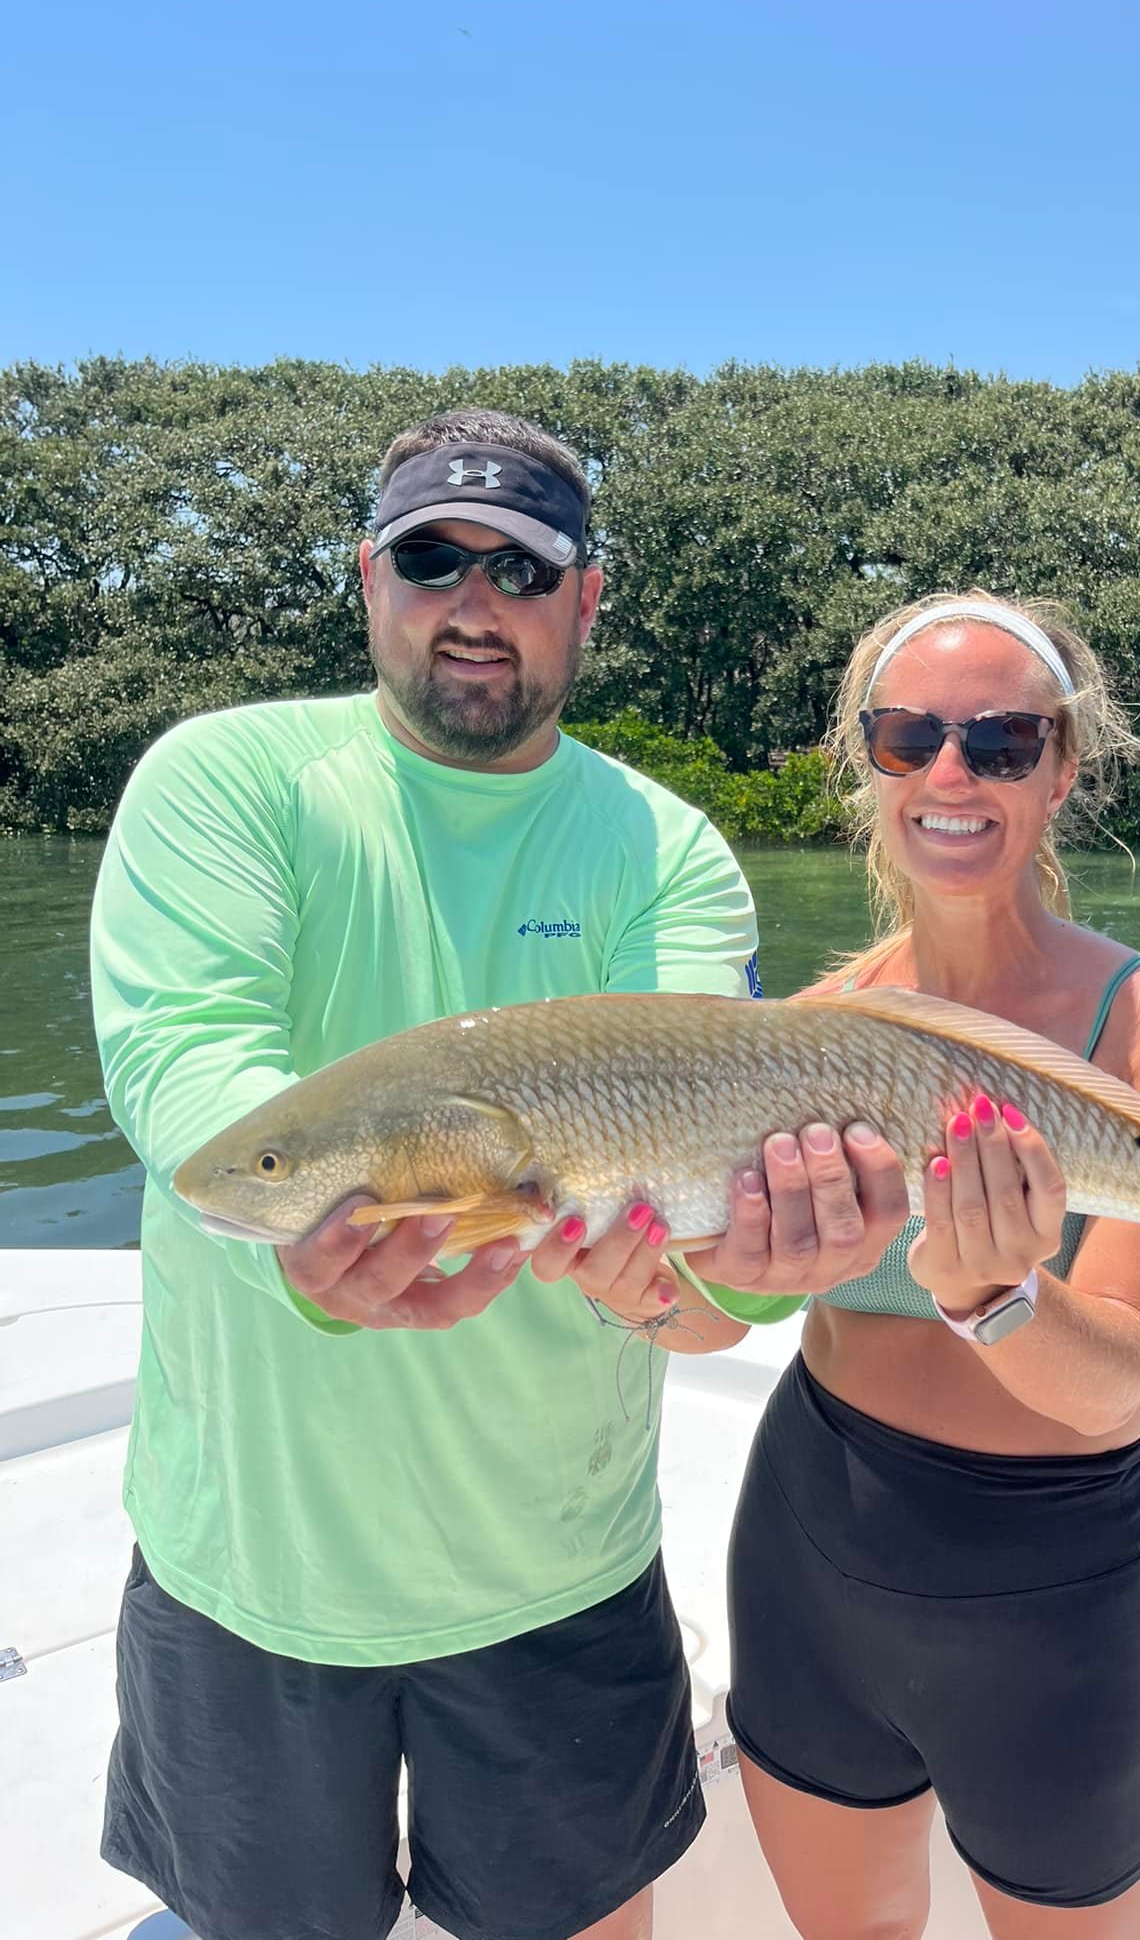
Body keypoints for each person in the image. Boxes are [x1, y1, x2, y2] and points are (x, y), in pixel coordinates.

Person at [89, 406, 908, 1940]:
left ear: (586, 600)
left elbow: (701, 1232)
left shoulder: (666, 850)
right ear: (368, 578)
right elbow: (183, 1063)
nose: (474, 601)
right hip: (251, 1565)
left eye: (522, 570)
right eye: (432, 560)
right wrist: (321, 1231)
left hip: (557, 1572)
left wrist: (756, 1269)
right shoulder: (221, 780)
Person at [693, 590, 1140, 1939]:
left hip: (1055, 1584)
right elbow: (718, 1307)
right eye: (909, 737)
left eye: (1001, 742)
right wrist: (636, 1279)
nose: (952, 774)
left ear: (1061, 769)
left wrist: (996, 1296)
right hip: (810, 1537)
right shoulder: (804, 1029)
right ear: (868, 763)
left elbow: (1117, 1388)